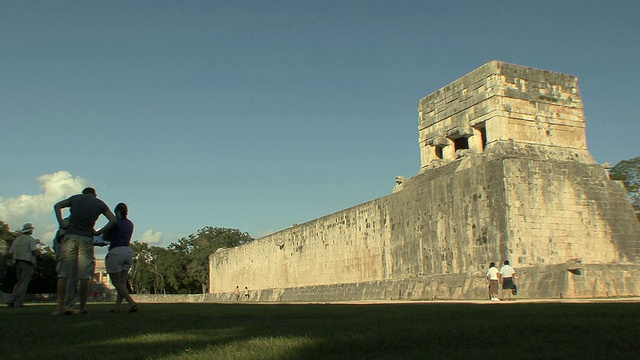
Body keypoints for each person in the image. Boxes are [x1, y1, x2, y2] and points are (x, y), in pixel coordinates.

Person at [52, 187, 116, 315]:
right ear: (95, 194)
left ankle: (59, 307)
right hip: (86, 238)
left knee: (64, 273)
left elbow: (57, 205)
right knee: (84, 275)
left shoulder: (75, 199)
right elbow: (113, 220)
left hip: (71, 236)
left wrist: (61, 223)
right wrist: (99, 232)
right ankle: (82, 307)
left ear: (84, 193)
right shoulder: (99, 203)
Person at [105, 203, 138, 313]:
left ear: (117, 211)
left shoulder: (114, 221)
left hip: (116, 251)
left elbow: (106, 236)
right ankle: (117, 307)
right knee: (122, 283)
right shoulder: (130, 223)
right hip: (127, 251)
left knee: (116, 282)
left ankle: (131, 302)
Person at [6, 223, 39, 308]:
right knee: (24, 283)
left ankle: (12, 299)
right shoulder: (30, 239)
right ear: (30, 230)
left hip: (17, 262)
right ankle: (19, 302)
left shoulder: (17, 239)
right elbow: (34, 251)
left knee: (19, 282)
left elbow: (10, 252)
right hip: (27, 262)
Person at [52, 218, 79, 310]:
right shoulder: (70, 223)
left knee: (67, 279)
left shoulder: (66, 224)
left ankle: (65, 304)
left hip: (63, 255)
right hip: (67, 255)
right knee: (69, 279)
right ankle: (67, 304)